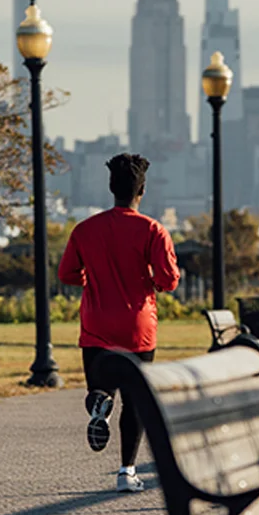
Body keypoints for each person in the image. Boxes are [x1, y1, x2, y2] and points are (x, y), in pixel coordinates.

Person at [57, 153, 180, 493]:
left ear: (111, 188)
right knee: (136, 400)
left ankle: (100, 404)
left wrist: (93, 277)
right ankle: (126, 472)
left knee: (101, 387)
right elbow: (169, 279)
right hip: (138, 327)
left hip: (96, 323)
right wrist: (149, 282)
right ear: (141, 190)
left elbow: (66, 273)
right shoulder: (153, 230)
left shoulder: (84, 230)